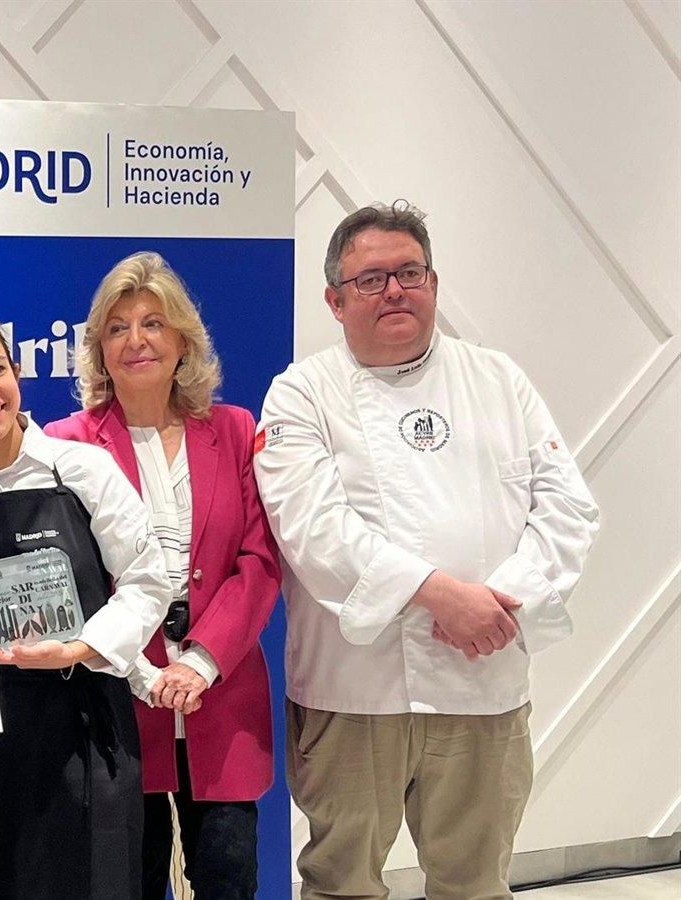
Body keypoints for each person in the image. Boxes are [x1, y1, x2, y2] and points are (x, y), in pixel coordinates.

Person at [255, 202, 599, 900]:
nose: (394, 290)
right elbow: (314, 531)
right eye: (371, 278)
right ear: (335, 299)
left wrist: (498, 603)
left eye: (409, 272)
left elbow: (567, 507)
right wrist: (443, 596)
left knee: (475, 883)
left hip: (484, 681)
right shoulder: (301, 394)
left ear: (434, 283)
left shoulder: (498, 379)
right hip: (353, 690)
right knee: (341, 885)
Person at [0, 310, 174, 900]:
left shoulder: (84, 470)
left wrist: (80, 647)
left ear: (17, 372)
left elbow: (148, 580)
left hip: (84, 725)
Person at [46, 252, 281, 899]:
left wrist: (202, 661)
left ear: (183, 340)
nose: (136, 340)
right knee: (131, 882)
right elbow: (66, 579)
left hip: (221, 694)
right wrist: (144, 670)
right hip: (120, 700)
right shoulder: (66, 444)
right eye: (116, 328)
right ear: (98, 350)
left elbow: (259, 560)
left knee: (228, 878)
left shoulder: (234, 432)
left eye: (152, 322)